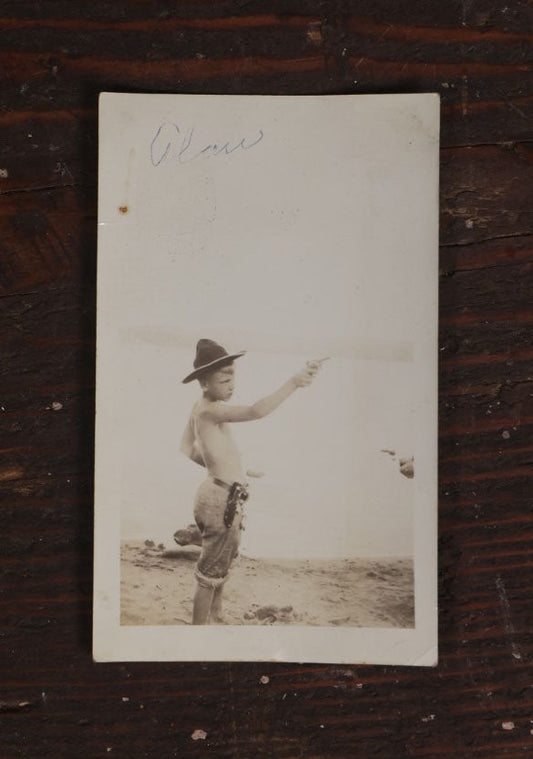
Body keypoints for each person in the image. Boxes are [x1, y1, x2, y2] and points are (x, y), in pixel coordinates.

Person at [180, 338, 321, 624]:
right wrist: (294, 382)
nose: (232, 384)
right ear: (205, 383)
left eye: (234, 376)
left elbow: (188, 449)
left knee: (223, 559)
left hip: (218, 494)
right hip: (221, 501)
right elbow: (257, 411)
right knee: (210, 574)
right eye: (225, 378)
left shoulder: (200, 408)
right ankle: (196, 632)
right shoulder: (211, 409)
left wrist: (231, 470)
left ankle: (216, 614)